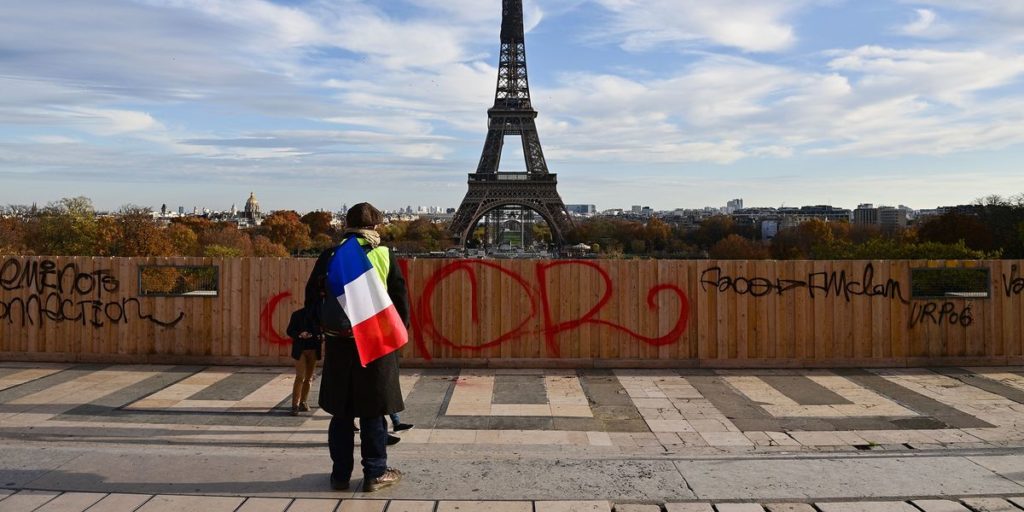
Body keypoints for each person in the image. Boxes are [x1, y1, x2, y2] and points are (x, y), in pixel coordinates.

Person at [305, 202, 410, 493]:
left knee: (341, 412)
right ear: (375, 227)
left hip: (339, 343)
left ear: (347, 226)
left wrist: (323, 331)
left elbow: (312, 299)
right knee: (373, 411)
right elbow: (400, 302)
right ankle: (375, 472)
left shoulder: (331, 255)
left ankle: (340, 475)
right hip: (376, 343)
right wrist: (397, 336)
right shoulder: (384, 254)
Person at [286, 307, 322, 416]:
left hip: (313, 349)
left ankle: (303, 402)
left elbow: (323, 330)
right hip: (300, 349)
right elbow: (289, 330)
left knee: (309, 378)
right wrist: (300, 334)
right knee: (300, 376)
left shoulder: (319, 315)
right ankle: (295, 405)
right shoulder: (297, 314)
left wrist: (319, 336)